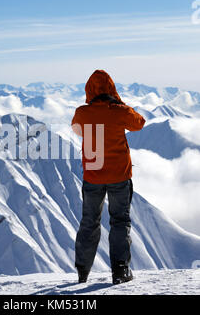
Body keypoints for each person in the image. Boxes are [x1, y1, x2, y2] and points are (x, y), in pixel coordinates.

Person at [71, 70, 145, 285]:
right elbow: (139, 123)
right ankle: (120, 270)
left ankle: (82, 271)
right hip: (119, 176)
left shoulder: (82, 113)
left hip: (93, 176)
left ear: (89, 90)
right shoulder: (119, 111)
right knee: (120, 221)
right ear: (111, 88)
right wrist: (120, 104)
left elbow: (77, 130)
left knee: (89, 221)